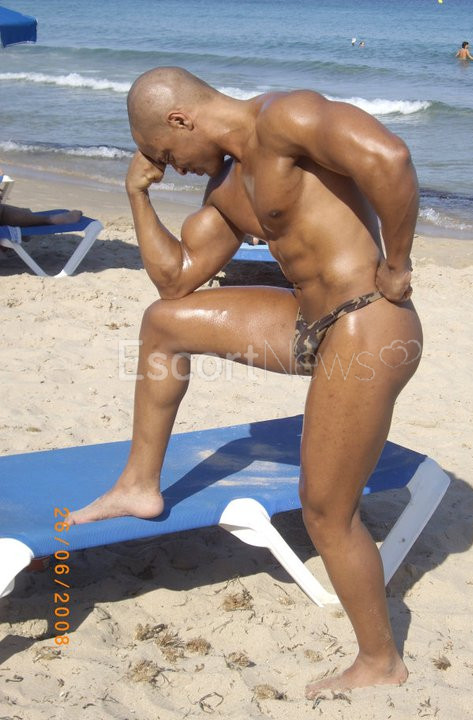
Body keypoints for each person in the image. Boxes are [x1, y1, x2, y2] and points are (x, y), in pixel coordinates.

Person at [68, 66, 422, 698]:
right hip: (309, 326)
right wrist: (137, 196)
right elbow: (176, 279)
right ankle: (139, 485)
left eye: (163, 154)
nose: (171, 168)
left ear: (181, 119)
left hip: (369, 322)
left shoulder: (285, 117)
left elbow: (387, 157)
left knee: (325, 511)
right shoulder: (229, 190)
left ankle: (380, 661)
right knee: (164, 323)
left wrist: (397, 261)